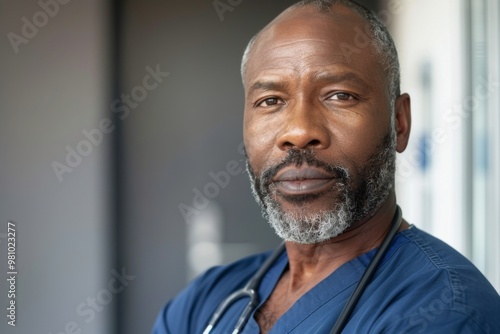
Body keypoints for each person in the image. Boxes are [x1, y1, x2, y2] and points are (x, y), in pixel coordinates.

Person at [152, 0, 500, 333]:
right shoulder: (203, 303)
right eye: (270, 101)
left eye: (339, 95)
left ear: (400, 122)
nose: (299, 132)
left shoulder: (445, 312)